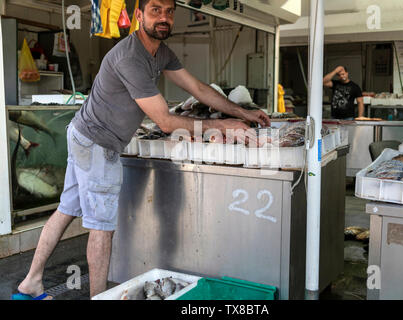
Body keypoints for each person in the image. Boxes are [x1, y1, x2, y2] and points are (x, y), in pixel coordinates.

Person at [14, 0, 270, 300]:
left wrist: (242, 112)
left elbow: (197, 88)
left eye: (170, 12)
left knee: (67, 209)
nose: (164, 18)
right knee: (101, 227)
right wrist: (224, 127)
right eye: (156, 10)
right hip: (99, 144)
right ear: (139, 16)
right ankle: (98, 297)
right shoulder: (130, 57)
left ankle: (31, 282)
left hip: (83, 135)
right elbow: (163, 120)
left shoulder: (161, 53)